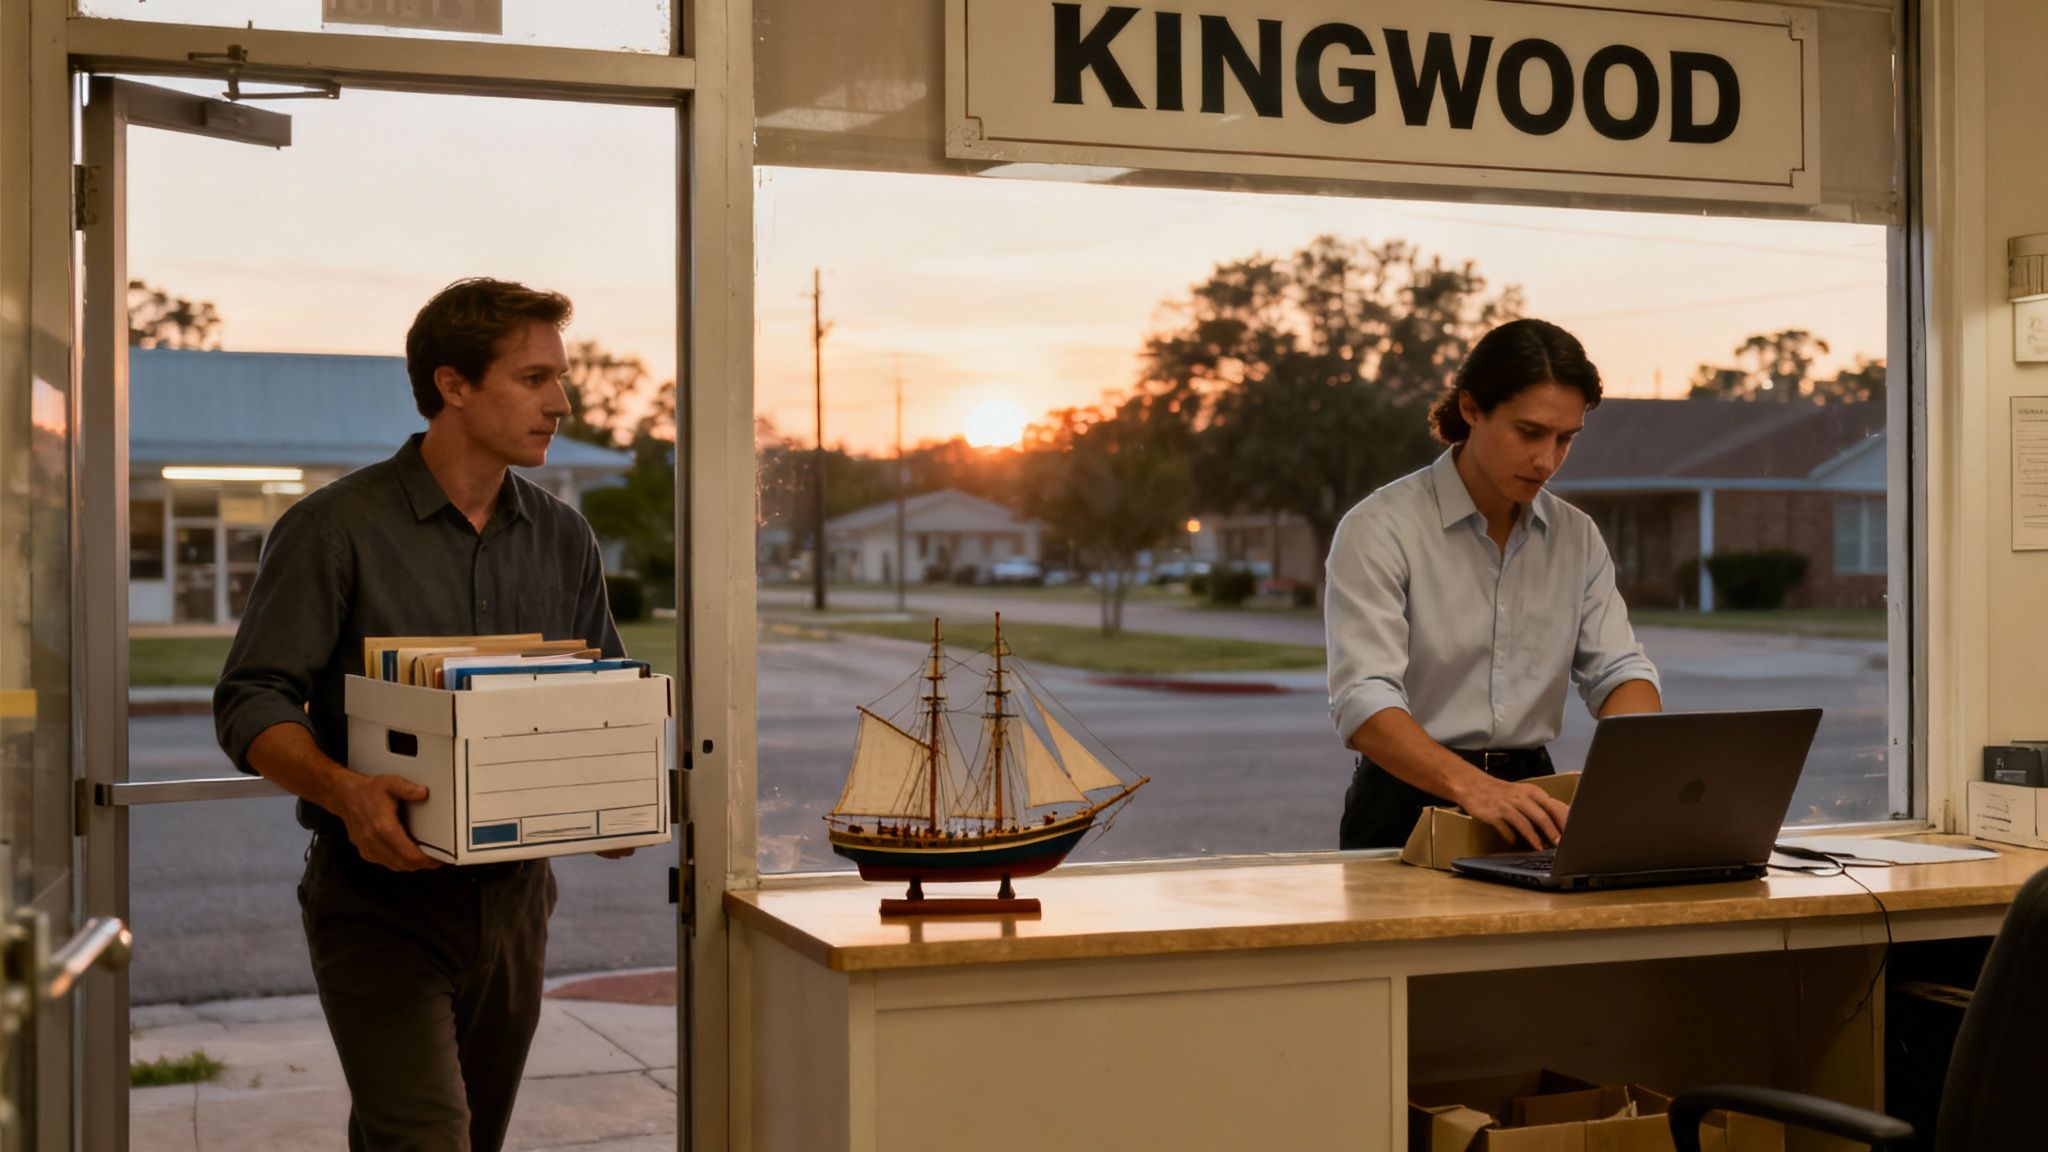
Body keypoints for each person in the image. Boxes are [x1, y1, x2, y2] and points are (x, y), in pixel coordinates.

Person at [214, 277, 628, 1152]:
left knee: (464, 1139)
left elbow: (600, 694)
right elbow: (250, 700)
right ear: (453, 385)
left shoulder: (564, 537)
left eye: (561, 378)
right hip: (379, 905)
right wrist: (345, 790)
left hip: (518, 906)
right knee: (427, 1140)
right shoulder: (332, 528)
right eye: (533, 378)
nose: (561, 402)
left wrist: (617, 791)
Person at [1324, 317, 1662, 851]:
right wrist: (1477, 790)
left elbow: (1619, 671)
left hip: (1534, 798)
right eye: (1529, 433)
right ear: (1470, 409)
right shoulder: (1379, 528)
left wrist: (1631, 770)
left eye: (1565, 439)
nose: (1547, 460)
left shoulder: (1576, 536)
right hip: (1404, 802)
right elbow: (1363, 699)